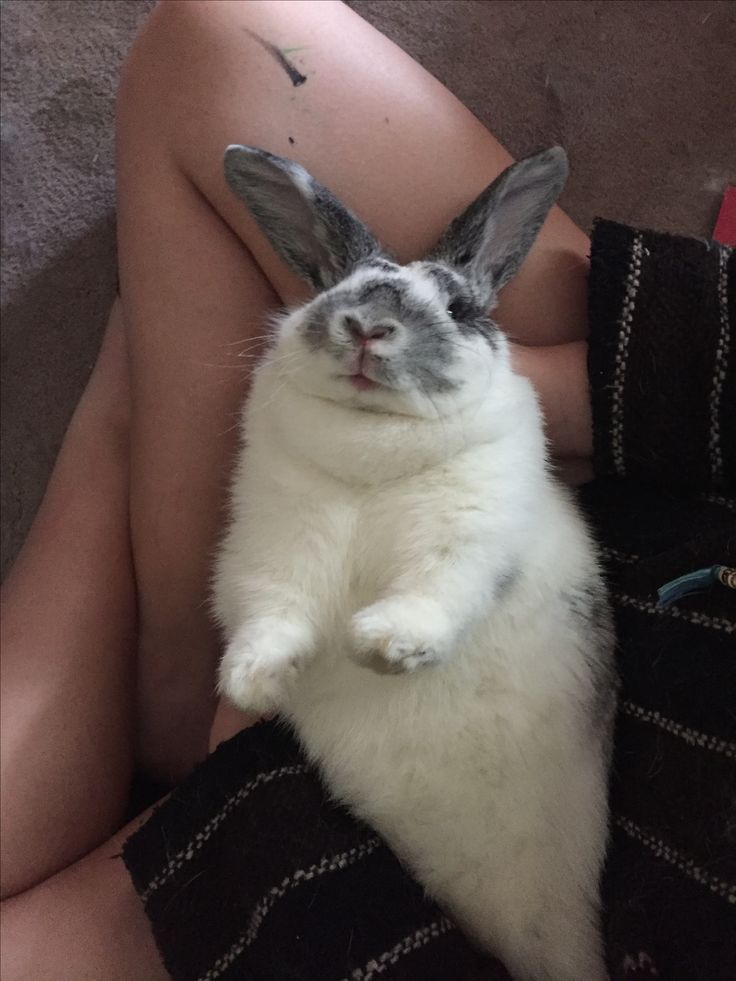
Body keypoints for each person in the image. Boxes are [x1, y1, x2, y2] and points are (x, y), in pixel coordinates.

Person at [1, 3, 733, 979]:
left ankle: (132, 452)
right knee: (220, 46)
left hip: (460, 876)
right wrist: (540, 399)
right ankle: (176, 653)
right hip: (668, 544)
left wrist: (278, 826)